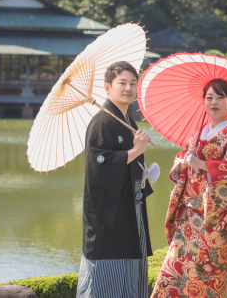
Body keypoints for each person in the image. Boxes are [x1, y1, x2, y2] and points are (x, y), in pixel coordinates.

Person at [151, 78, 227, 298]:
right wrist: (183, 163)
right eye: (209, 97)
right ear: (203, 102)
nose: (214, 102)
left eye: (221, 97)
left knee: (219, 271)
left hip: (220, 216)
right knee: (176, 268)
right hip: (191, 215)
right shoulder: (198, 134)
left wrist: (202, 164)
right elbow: (180, 163)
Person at [77, 60, 154, 298]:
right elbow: (99, 166)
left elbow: (134, 167)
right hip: (108, 217)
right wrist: (135, 151)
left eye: (133, 83)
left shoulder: (128, 121)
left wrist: (144, 187)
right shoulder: (102, 122)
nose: (128, 88)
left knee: (131, 281)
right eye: (122, 83)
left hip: (131, 212)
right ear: (107, 88)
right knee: (106, 284)